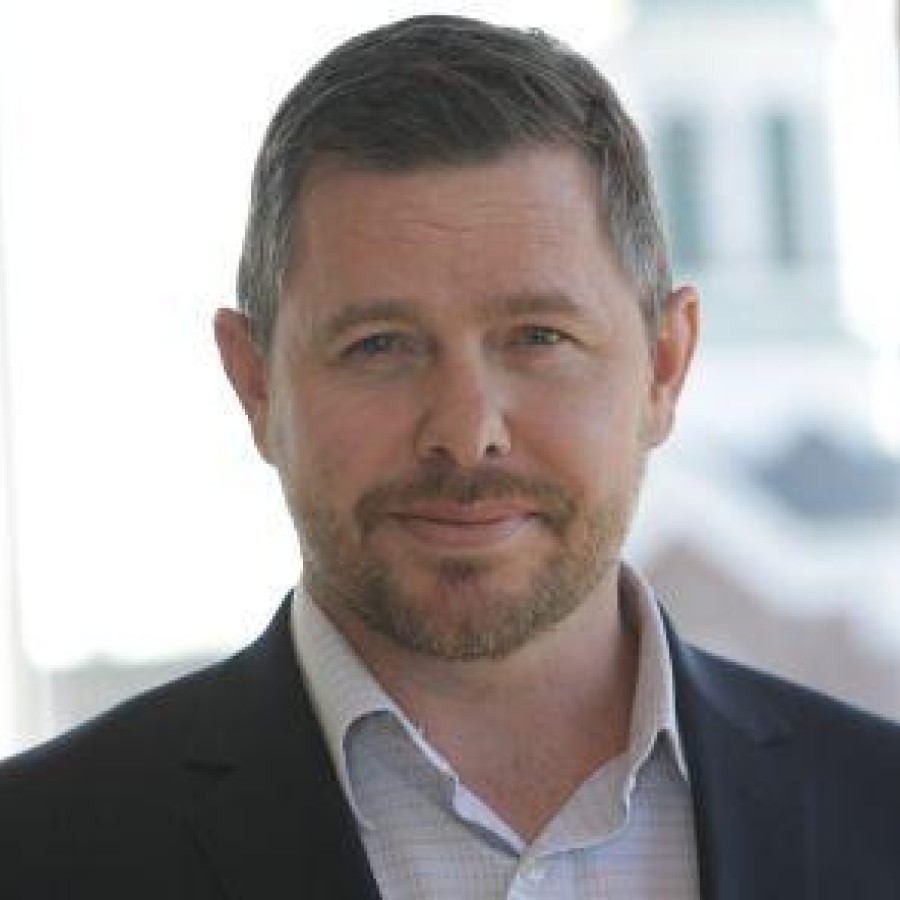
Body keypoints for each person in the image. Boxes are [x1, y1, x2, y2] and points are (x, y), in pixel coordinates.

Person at [0, 14, 898, 899]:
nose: (468, 435)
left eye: (538, 337)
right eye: (380, 345)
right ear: (254, 384)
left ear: (665, 365)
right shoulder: (36, 852)